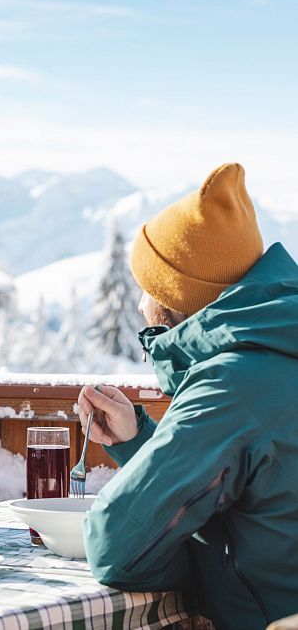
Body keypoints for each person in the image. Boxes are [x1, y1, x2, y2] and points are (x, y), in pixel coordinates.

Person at [77, 163, 298, 629]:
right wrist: (138, 441)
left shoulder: (234, 385)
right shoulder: (277, 353)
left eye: (147, 286)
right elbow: (255, 496)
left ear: (172, 297)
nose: (140, 302)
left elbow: (116, 545)